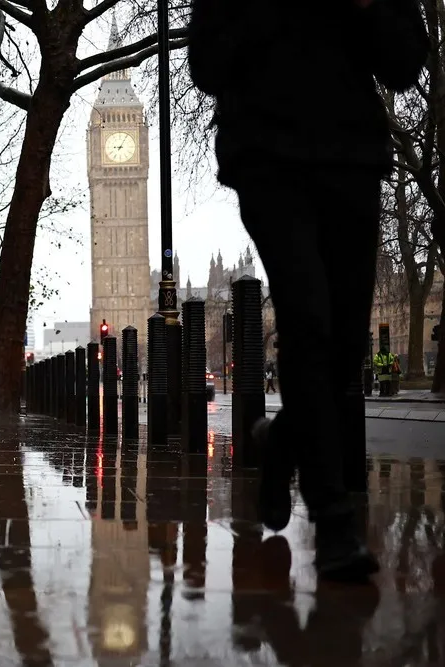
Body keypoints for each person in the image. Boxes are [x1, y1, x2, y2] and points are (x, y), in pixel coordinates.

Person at [189, 0, 427, 581]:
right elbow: (206, 65)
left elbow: (404, 62)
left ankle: (282, 442)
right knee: (307, 321)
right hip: (266, 153)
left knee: (345, 343)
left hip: (351, 152)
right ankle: (334, 522)